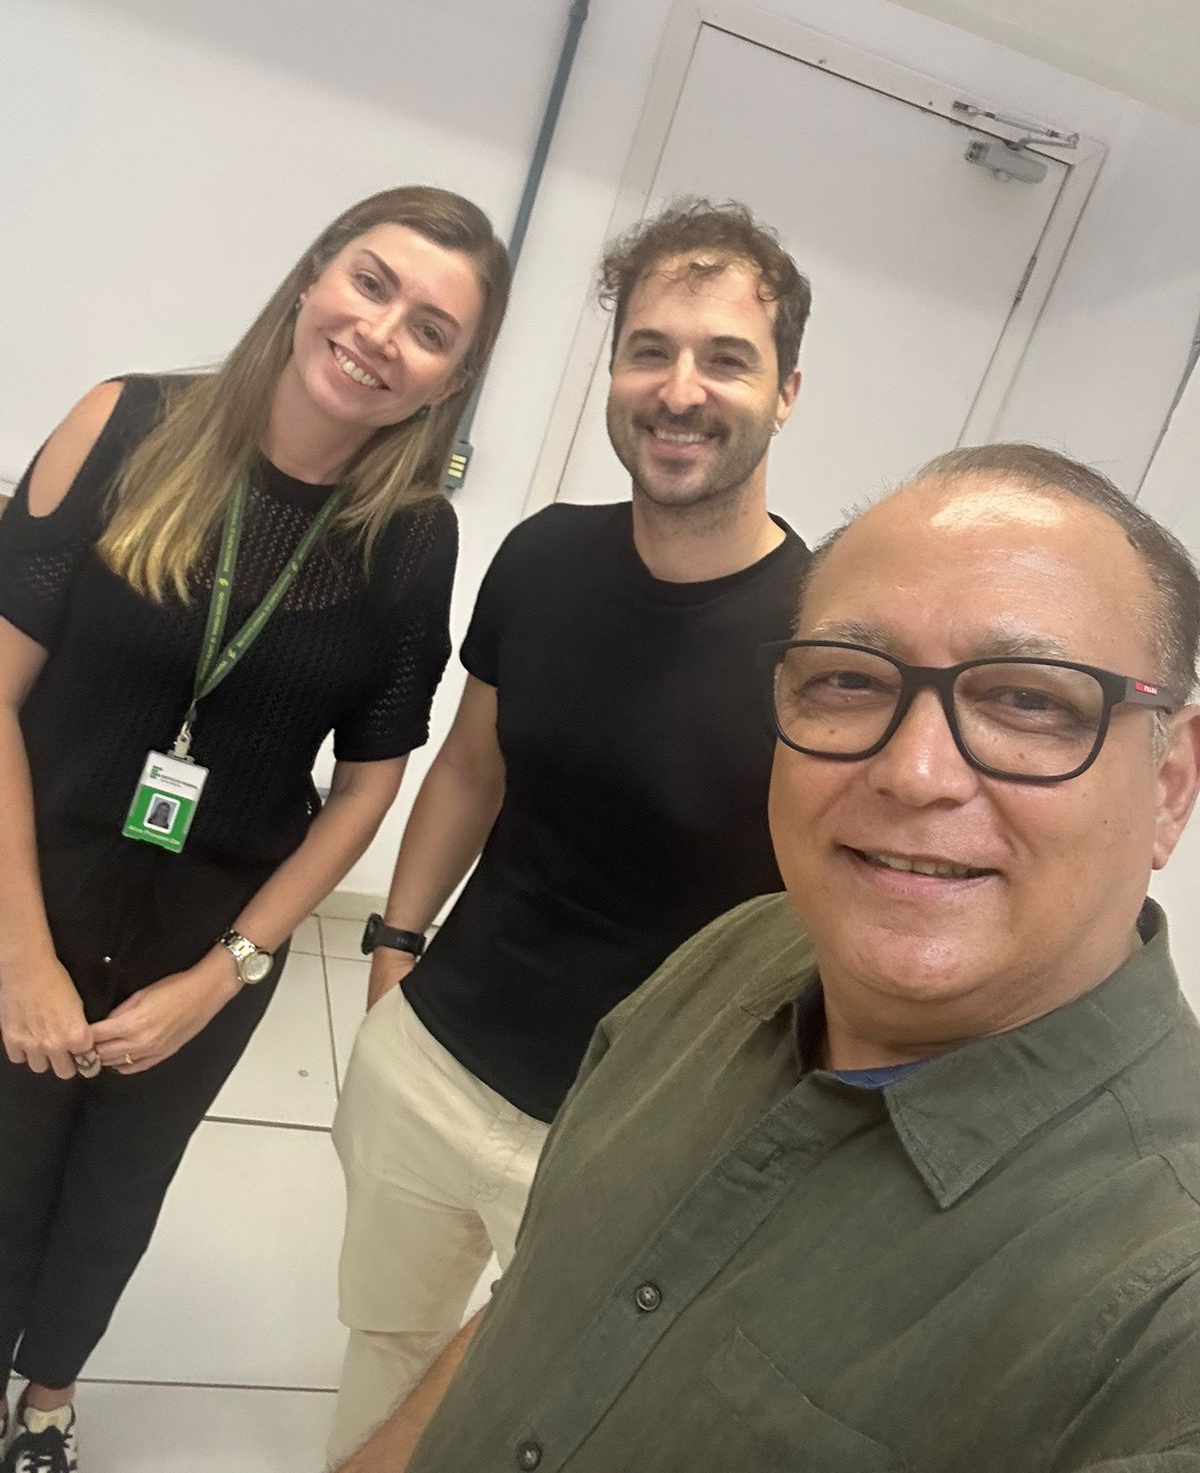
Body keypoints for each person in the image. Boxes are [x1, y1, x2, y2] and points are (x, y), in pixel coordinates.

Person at [335, 443, 1200, 1472]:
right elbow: (548, 1297)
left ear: (1171, 786)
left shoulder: (1162, 1308)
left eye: (1030, 700)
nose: (914, 771)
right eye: (848, 679)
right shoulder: (740, 950)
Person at [0, 185, 510, 1472]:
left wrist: (225, 971)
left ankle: (47, 1399)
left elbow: (369, 786)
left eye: (433, 328)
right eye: (372, 283)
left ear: (451, 379)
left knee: (121, 1183)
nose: (383, 333)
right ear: (313, 277)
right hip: (27, 881)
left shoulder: (411, 538)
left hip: (214, 928)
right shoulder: (124, 424)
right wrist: (19, 954)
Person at [327, 200, 812, 1460]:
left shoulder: (825, 644)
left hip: (637, 1130)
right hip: (438, 1060)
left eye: (726, 358)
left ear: (787, 391)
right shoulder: (541, 555)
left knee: (551, 1424)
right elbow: (469, 767)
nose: (680, 389)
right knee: (384, 1353)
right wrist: (393, 952)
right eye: (650, 350)